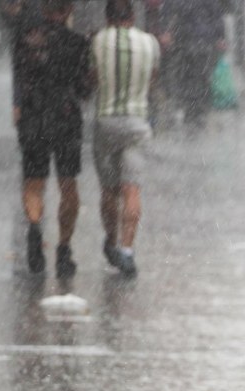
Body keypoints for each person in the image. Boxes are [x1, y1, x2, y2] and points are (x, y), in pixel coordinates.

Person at [10, 0, 91, 277]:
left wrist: (21, 107)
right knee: (68, 185)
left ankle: (34, 228)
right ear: (68, 10)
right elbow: (83, 89)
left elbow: (20, 80)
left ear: (43, 10)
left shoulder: (26, 40)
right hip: (65, 118)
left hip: (34, 116)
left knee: (34, 182)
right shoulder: (77, 43)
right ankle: (63, 250)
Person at [90, 0, 161, 277]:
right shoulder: (150, 43)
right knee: (132, 189)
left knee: (109, 190)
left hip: (105, 123)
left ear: (108, 17)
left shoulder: (97, 41)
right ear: (132, 15)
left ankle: (110, 239)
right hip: (136, 124)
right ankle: (127, 250)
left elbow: (92, 77)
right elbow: (153, 78)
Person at [161, 0, 228, 123]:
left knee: (189, 76)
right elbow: (216, 14)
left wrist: (167, 30)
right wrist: (220, 36)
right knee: (199, 76)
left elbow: (168, 9)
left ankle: (192, 107)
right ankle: (198, 107)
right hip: (199, 40)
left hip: (187, 39)